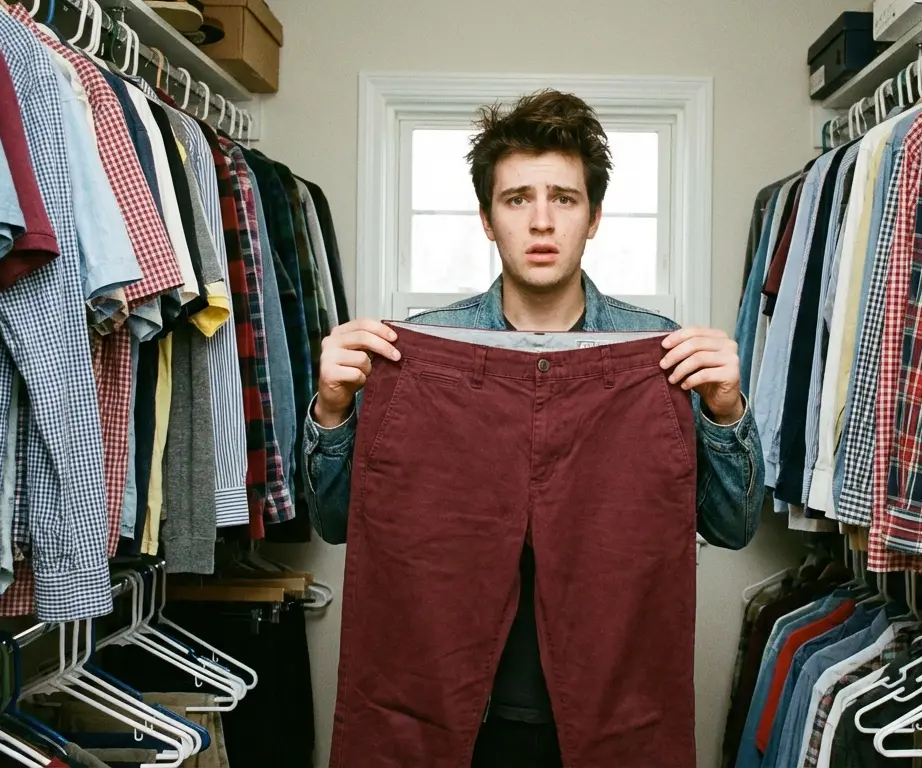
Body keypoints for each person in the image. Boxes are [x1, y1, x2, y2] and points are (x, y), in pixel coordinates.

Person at [302, 89, 765, 765]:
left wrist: (726, 411)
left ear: (595, 216)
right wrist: (333, 411)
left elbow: (734, 526)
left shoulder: (660, 354)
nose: (541, 221)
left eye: (565, 199)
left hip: (606, 706)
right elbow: (340, 523)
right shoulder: (418, 353)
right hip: (461, 714)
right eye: (517, 199)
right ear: (488, 220)